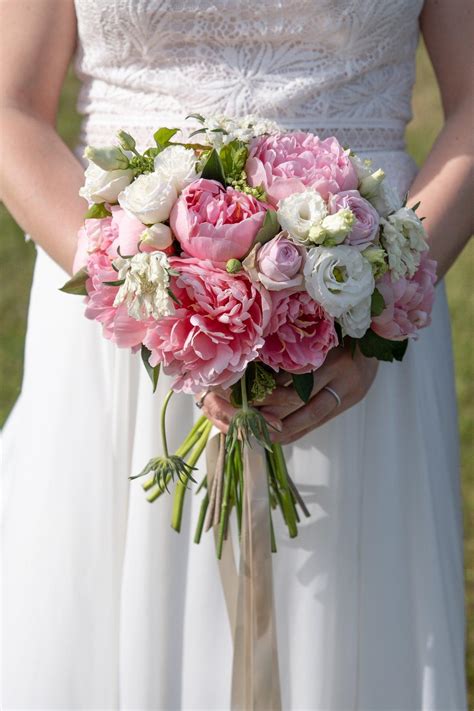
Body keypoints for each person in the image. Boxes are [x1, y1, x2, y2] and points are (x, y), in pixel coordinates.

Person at [1, 1, 472, 708]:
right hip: (124, 319)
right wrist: (143, 294)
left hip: (356, 313)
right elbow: (11, 108)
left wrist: (386, 298)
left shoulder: (368, 311)